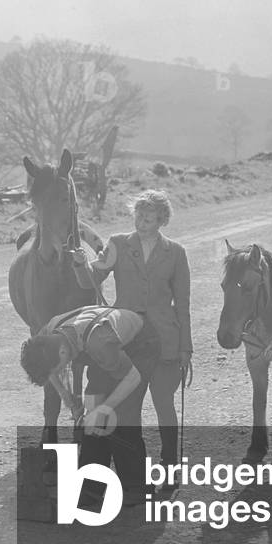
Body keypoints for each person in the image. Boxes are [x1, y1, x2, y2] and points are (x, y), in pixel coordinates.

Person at [72, 190, 192, 495]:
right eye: (138, 215)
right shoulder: (118, 244)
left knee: (164, 404)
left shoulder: (176, 252)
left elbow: (184, 303)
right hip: (127, 337)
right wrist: (80, 265)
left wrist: (185, 347)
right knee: (129, 405)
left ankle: (170, 467)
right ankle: (133, 476)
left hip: (166, 339)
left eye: (149, 217)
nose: (141, 221)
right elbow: (91, 281)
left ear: (162, 220)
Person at [20, 305, 159, 508]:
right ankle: (91, 489)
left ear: (62, 352)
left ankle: (137, 488)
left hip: (142, 346)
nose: (57, 371)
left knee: (120, 415)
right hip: (107, 347)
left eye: (58, 367)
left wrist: (105, 409)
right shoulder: (48, 334)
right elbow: (51, 370)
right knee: (92, 407)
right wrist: (67, 397)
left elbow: (133, 378)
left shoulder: (99, 343)